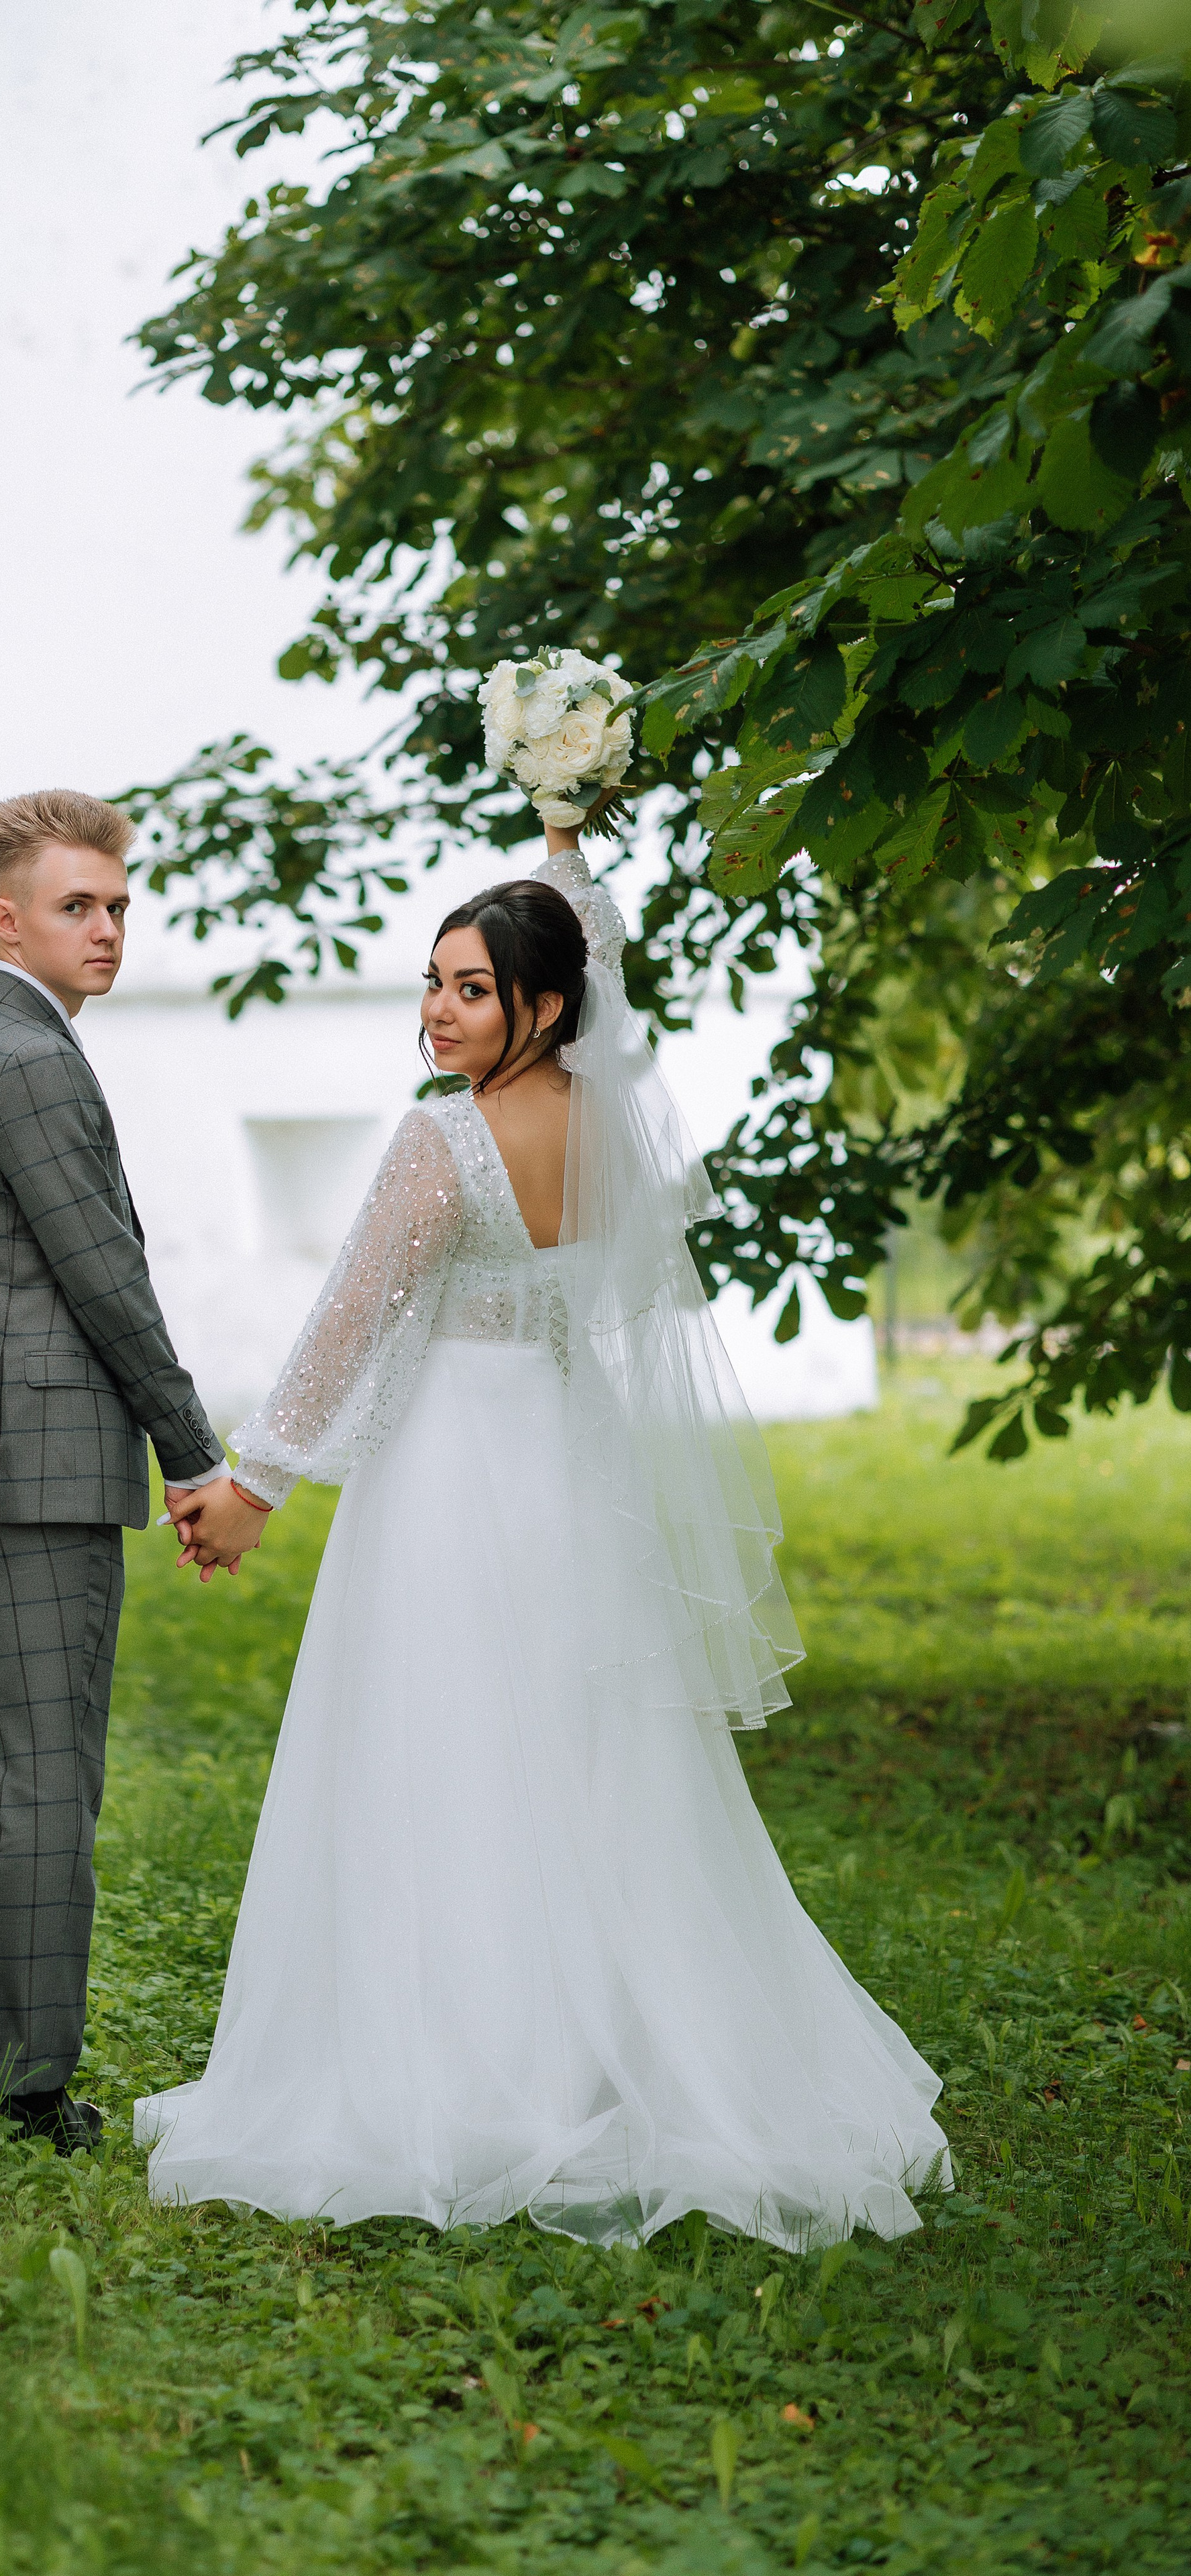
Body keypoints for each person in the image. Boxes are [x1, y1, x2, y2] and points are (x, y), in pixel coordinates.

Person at [144, 826, 951, 2249]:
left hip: (454, 1473)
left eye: (467, 988)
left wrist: (253, 1489)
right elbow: (605, 1300)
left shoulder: (438, 1136)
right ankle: (596, 2051)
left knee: (442, 1745)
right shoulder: (609, 1128)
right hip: (573, 1474)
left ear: (544, 1005)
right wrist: (564, 850)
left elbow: (348, 1319)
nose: (434, 1012)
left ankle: (463, 2069)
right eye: (431, 984)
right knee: (585, 1756)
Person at [0, 788, 267, 2152]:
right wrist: (192, 1450)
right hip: (34, 1460)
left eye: (114, 904)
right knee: (48, 1770)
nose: (106, 931)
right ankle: (32, 2084)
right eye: (74, 907)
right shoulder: (33, 1060)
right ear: (5, 918)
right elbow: (105, 1278)